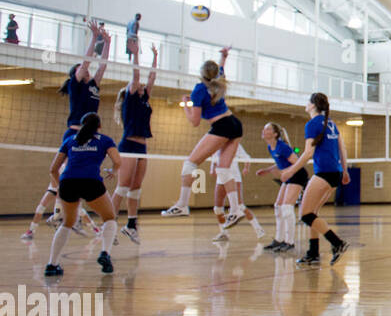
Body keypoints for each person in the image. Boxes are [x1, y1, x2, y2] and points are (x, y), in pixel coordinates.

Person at [22, 20, 108, 242]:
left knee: (82, 174)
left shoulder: (93, 86)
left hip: (91, 135)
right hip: (73, 133)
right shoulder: (76, 83)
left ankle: (70, 214)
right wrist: (94, 37)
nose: (86, 70)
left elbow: (103, 66)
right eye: (82, 69)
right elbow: (88, 63)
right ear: (77, 73)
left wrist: (106, 42)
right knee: (65, 174)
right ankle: (63, 212)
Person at [162, 47, 243, 218]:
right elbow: (221, 69)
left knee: (189, 164)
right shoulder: (219, 81)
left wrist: (186, 105)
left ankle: (182, 205)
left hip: (222, 126)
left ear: (201, 73)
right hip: (235, 123)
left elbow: (195, 121)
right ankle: (236, 210)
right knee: (223, 170)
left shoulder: (199, 89)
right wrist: (224, 56)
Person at [277, 93, 350, 266]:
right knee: (313, 213)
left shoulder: (312, 124)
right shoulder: (331, 124)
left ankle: (337, 242)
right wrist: (345, 171)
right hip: (335, 173)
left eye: (307, 102)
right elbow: (343, 149)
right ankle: (313, 253)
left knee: (305, 214)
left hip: (324, 173)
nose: (306, 104)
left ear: (312, 105)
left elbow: (308, 153)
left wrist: (290, 170)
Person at [45, 112, 121, 276]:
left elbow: (53, 169)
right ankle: (105, 254)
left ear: (81, 125)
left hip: (68, 182)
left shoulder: (70, 140)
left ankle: (52, 265)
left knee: (67, 223)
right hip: (90, 181)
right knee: (109, 217)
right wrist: (113, 171)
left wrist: (60, 188)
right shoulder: (105, 140)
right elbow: (118, 161)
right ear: (99, 126)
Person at [112, 43, 156, 244]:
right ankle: (108, 223)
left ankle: (131, 225)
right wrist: (136, 54)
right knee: (123, 186)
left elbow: (151, 79)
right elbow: (137, 76)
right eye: (135, 85)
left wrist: (155, 57)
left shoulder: (144, 98)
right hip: (128, 146)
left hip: (142, 147)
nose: (140, 86)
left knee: (136, 187)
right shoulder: (130, 99)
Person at [258, 122, 307, 252]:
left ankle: (289, 242)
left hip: (297, 175)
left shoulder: (282, 147)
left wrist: (288, 172)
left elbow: (298, 163)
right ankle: (278, 240)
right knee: (278, 207)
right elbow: (280, 163)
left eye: (267, 129)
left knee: (286, 207)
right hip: (289, 175)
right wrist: (268, 170)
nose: (264, 130)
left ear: (275, 134)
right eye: (264, 128)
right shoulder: (271, 147)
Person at [210, 145, 265, 242]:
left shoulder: (234, 143)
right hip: (221, 177)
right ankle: (224, 233)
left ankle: (258, 229)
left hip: (233, 176)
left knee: (240, 206)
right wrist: (212, 168)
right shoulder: (216, 142)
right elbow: (214, 159)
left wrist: (246, 168)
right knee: (217, 209)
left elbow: (247, 158)